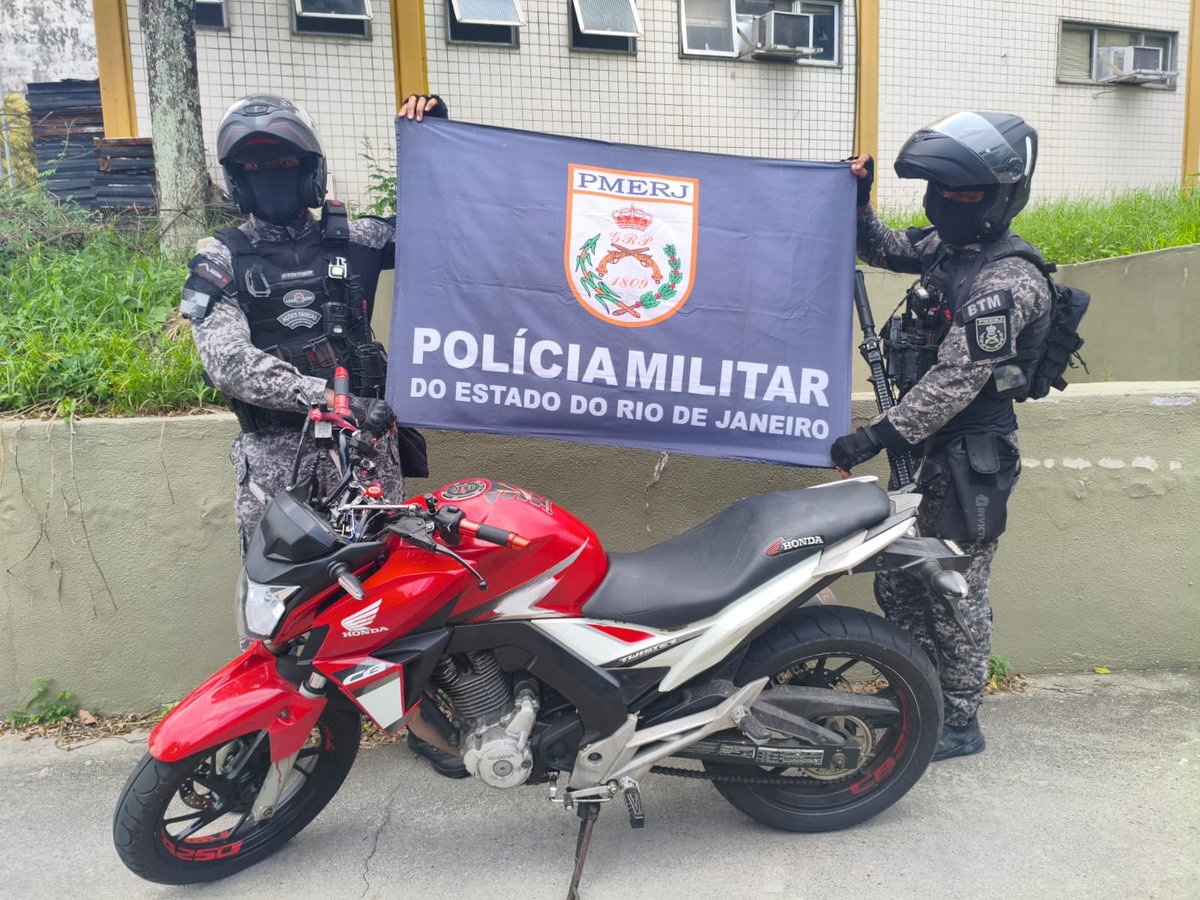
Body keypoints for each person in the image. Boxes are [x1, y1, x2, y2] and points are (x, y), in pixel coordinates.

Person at [179, 92, 467, 778]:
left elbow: (449, 223)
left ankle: (420, 719)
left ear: (310, 174)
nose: (272, 181)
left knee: (395, 590)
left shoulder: (358, 239)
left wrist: (437, 140)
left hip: (366, 453)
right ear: (237, 182)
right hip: (276, 457)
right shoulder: (220, 254)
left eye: (285, 166)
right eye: (257, 170)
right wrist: (321, 399)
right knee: (275, 605)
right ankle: (261, 735)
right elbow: (225, 360)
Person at [832, 112, 1053, 761]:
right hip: (924, 451)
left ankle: (958, 720)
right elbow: (886, 250)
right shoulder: (953, 250)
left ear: (1000, 198)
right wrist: (860, 201)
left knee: (953, 587)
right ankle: (914, 691)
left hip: (967, 458)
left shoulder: (1007, 282)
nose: (945, 206)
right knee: (903, 579)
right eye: (940, 193)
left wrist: (874, 437)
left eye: (962, 196)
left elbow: (957, 379)